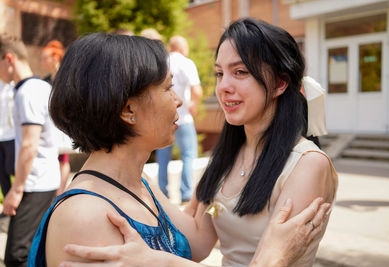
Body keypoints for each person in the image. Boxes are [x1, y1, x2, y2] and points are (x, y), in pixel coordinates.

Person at [27, 33, 330, 267]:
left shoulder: (139, 184)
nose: (179, 101)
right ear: (128, 109)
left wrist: (221, 189)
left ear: (279, 84)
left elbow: (196, 240)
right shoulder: (85, 215)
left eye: (240, 72)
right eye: (168, 88)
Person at [0, 35, 61, 267]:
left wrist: (16, 190)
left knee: (17, 255)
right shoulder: (37, 87)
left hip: (36, 182)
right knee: (34, 251)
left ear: (9, 59)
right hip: (41, 180)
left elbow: (29, 144)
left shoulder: (29, 92)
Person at [156, 35, 203, 202]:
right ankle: (186, 193)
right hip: (183, 119)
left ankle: (162, 192)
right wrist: (194, 106)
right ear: (183, 48)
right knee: (189, 155)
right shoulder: (186, 63)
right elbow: (197, 90)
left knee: (163, 157)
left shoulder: (162, 63)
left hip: (163, 119)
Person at [41, 40, 70, 195]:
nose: (43, 62)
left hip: (61, 120)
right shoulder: (44, 80)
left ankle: (60, 191)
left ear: (55, 58)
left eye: (45, 58)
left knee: (63, 156)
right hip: (48, 120)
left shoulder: (65, 78)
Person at [0, 79, 15, 198]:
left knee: (12, 168)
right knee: (1, 172)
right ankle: (6, 199)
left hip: (12, 135)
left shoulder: (14, 85)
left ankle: (19, 198)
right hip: (1, 135)